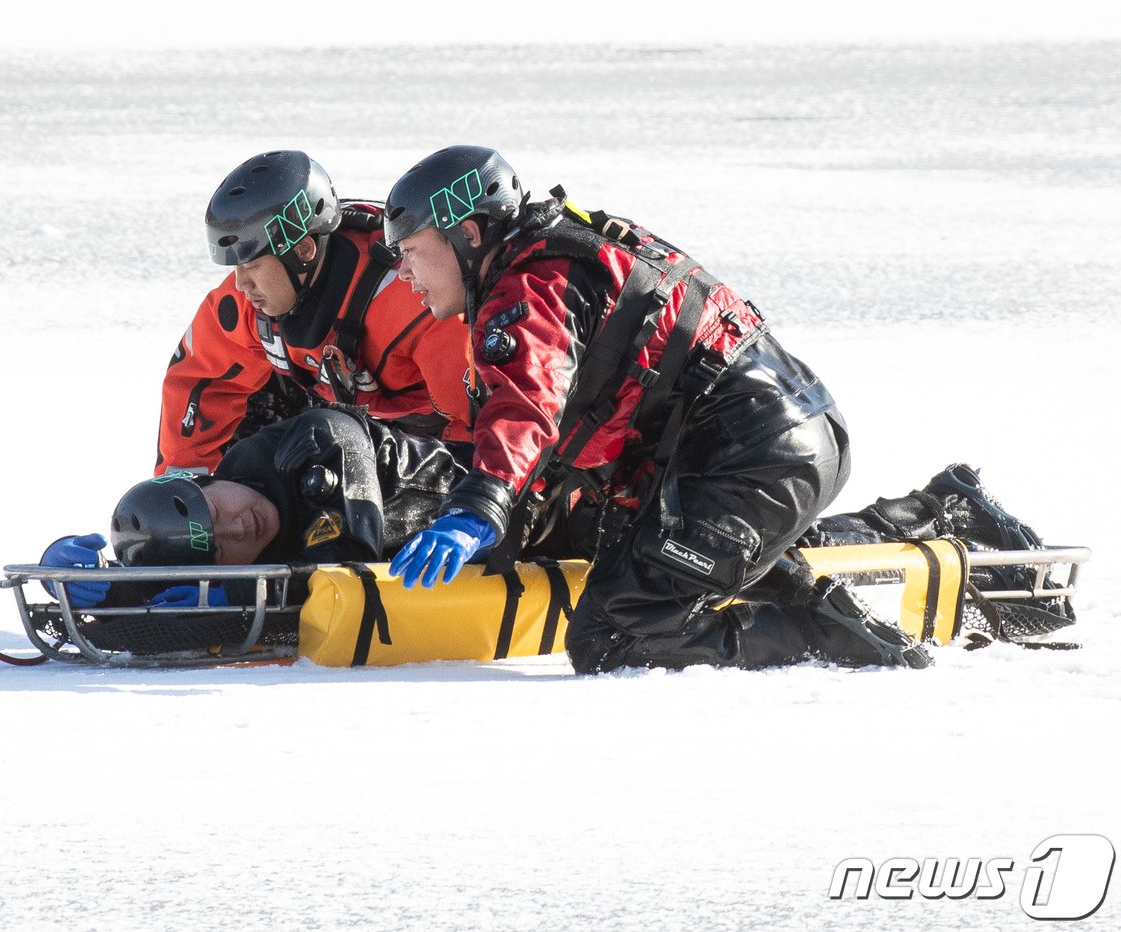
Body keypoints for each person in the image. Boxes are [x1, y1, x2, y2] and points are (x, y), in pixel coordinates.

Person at [380, 144, 905, 673]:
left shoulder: (531, 288)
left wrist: (478, 507)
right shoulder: (560, 251)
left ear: (467, 235)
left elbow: (526, 404)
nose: (402, 271)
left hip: (753, 455)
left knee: (611, 636)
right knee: (627, 559)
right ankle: (817, 606)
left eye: (409, 249)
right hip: (785, 433)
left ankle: (827, 638)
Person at [155, 150, 473, 477]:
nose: (240, 283)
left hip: (431, 438)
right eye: (236, 266)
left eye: (250, 265)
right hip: (334, 410)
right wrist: (181, 492)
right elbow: (198, 385)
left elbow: (481, 429)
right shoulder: (248, 298)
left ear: (303, 250)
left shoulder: (420, 301)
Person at [45, 406, 484, 608]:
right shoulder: (242, 552)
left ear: (209, 478)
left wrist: (234, 593)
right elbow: (167, 590)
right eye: (218, 552)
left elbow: (349, 566)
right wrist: (86, 582)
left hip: (531, 510)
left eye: (217, 513)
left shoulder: (318, 439)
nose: (238, 530)